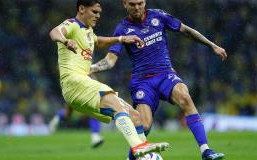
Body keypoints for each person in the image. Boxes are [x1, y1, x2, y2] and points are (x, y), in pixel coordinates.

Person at [90, 0, 227, 160]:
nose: (137, 7)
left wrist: (212, 46)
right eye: (132, 4)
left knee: (185, 97)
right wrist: (92, 68)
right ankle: (131, 157)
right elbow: (110, 60)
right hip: (142, 82)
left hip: (165, 74)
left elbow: (186, 31)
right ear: (125, 4)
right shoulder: (122, 29)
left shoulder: (159, 16)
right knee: (144, 125)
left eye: (140, 3)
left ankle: (206, 150)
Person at [49, 0, 169, 158]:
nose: (98, 16)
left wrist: (121, 39)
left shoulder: (88, 31)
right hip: (74, 82)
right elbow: (54, 32)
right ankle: (139, 147)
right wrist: (65, 40)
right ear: (82, 9)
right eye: (94, 12)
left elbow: (97, 41)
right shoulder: (72, 24)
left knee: (134, 116)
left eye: (99, 13)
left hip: (81, 85)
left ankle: (143, 154)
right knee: (112, 100)